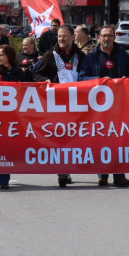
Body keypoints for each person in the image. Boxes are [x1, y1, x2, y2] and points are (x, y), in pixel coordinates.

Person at [79, 25, 129, 187]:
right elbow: (82, 78)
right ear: (99, 38)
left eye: (110, 36)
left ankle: (119, 175)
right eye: (104, 36)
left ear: (114, 38)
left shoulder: (123, 55)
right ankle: (102, 174)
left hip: (119, 105)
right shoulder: (91, 57)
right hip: (99, 106)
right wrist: (101, 80)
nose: (107, 39)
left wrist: (126, 79)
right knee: (101, 139)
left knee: (119, 138)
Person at [34, 24, 87, 188]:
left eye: (64, 36)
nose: (61, 39)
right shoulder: (51, 55)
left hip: (78, 103)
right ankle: (63, 171)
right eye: (59, 36)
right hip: (57, 104)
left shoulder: (80, 55)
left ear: (73, 37)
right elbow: (36, 74)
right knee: (61, 138)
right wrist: (45, 80)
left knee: (77, 138)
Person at [0, 44, 24, 189]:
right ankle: (3, 178)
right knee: (1, 147)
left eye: (2, 54)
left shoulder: (19, 72)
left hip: (16, 116)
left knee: (14, 146)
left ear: (9, 56)